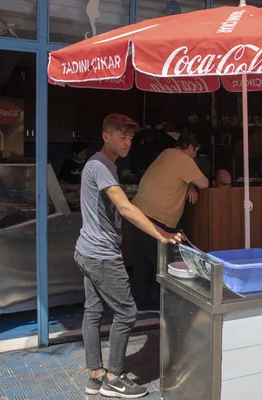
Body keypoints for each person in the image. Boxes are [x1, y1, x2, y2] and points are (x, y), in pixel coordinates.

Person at [74, 113, 181, 398]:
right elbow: (124, 207)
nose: (127, 142)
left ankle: (95, 376)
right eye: (121, 136)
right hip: (101, 255)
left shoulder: (104, 164)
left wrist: (154, 225)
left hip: (87, 250)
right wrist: (162, 234)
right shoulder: (100, 165)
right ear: (106, 135)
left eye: (130, 137)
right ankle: (114, 378)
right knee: (127, 313)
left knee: (93, 313)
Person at [131, 132, 209, 311]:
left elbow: (181, 176)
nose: (195, 155)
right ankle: (162, 305)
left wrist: (189, 184)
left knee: (142, 261)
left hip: (138, 213)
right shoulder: (183, 158)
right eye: (195, 151)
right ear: (190, 148)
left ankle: (141, 303)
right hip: (157, 217)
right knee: (162, 263)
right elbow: (204, 182)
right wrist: (193, 183)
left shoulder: (166, 153)